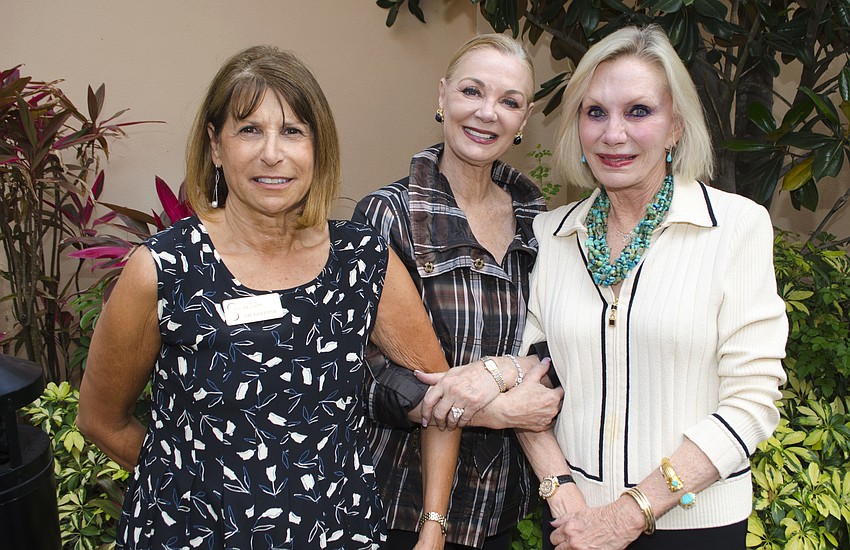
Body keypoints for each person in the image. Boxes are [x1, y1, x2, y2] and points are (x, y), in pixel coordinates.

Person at [76, 45, 460, 550]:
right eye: (249, 129)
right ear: (215, 145)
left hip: (337, 536)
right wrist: (193, 484)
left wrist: (432, 528)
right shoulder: (163, 269)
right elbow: (100, 420)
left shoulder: (364, 260)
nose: (272, 153)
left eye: (293, 131)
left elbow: (443, 397)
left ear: (317, 147)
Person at [512, 25, 788, 549]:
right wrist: (563, 492)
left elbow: (752, 401)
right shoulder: (551, 234)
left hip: (694, 528)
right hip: (573, 525)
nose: (613, 133)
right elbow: (533, 379)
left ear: (676, 127)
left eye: (638, 111)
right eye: (596, 112)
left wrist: (627, 514)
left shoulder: (735, 228)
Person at [352, 34, 564, 550]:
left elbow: (557, 348)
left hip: (501, 504)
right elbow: (358, 367)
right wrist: (490, 411)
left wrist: (507, 375)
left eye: (509, 101)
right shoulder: (388, 213)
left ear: (525, 118)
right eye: (472, 91)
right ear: (442, 96)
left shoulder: (545, 225)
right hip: (397, 501)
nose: (488, 113)